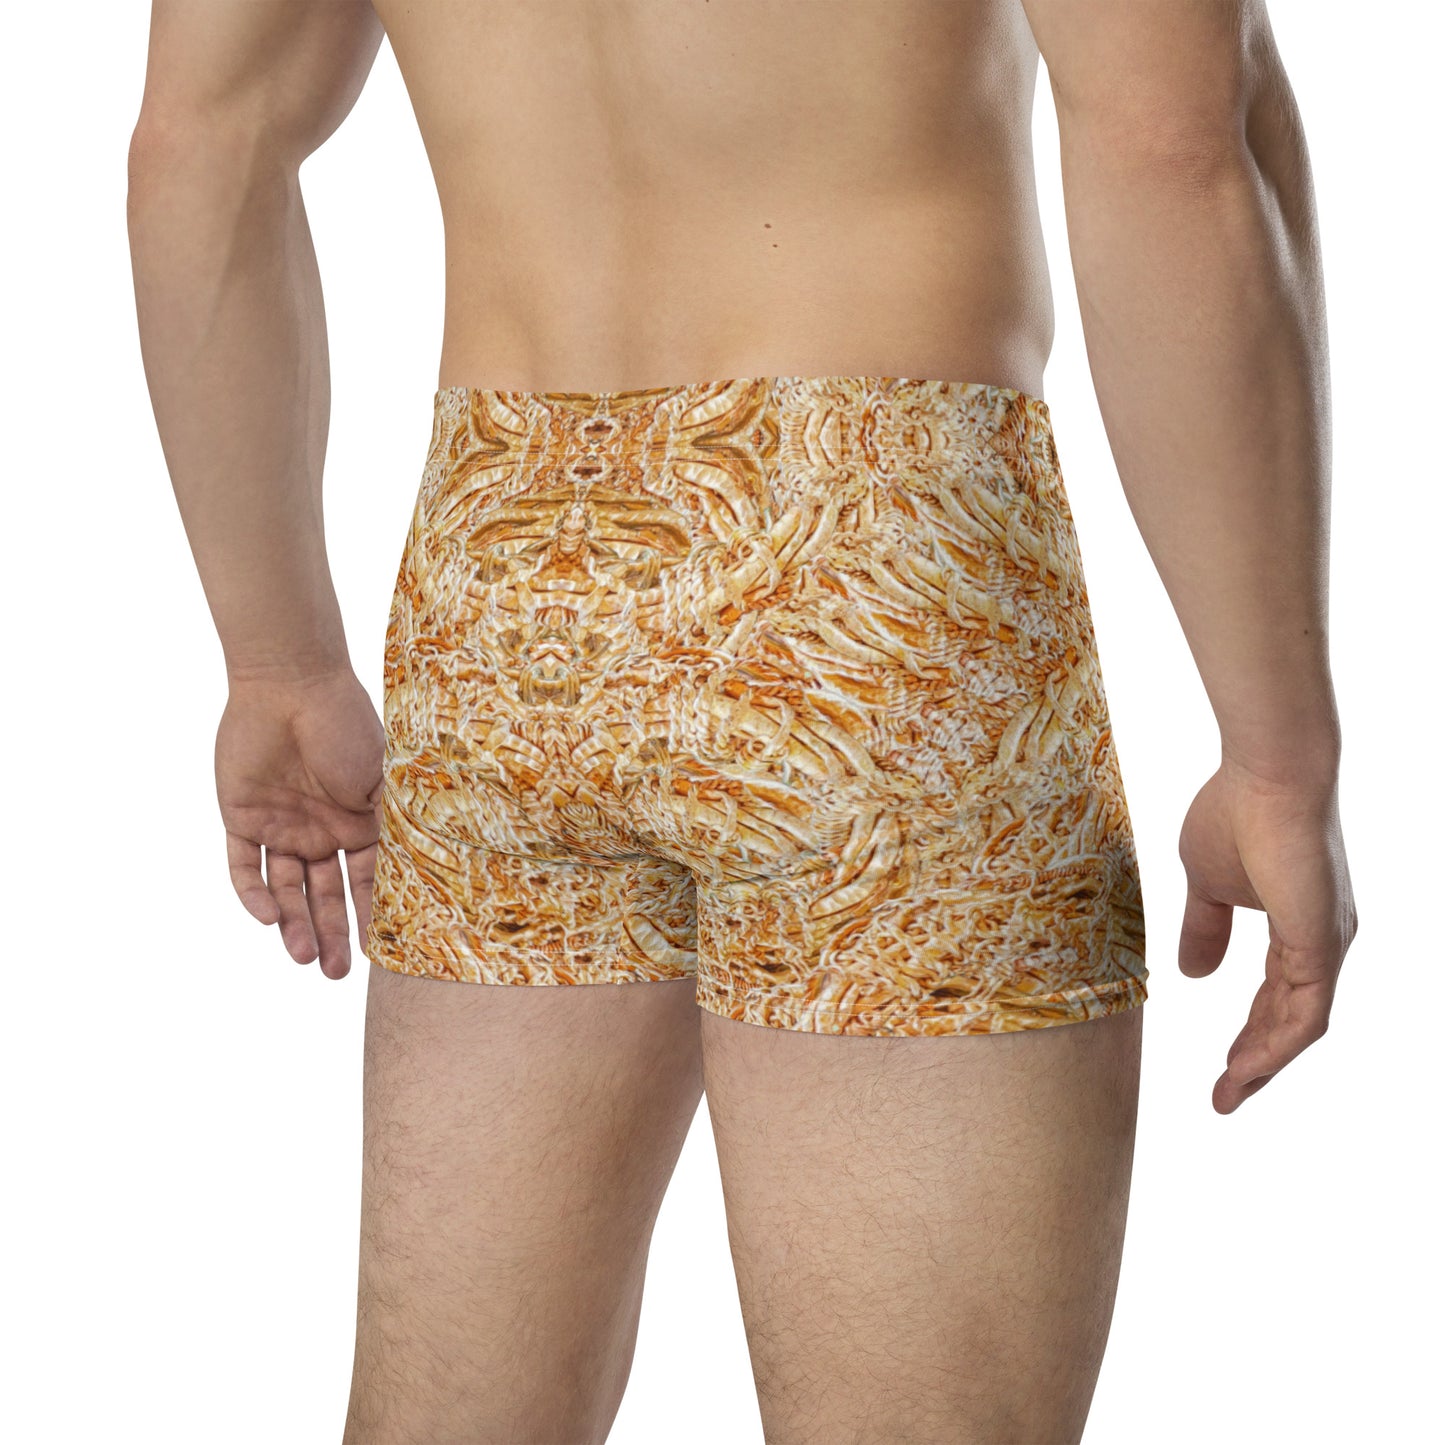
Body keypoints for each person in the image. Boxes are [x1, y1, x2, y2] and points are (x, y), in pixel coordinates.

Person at [126, 1, 1357, 1440]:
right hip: (874, 566)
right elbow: (1174, 147)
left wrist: (278, 662)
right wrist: (1277, 751)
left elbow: (201, 145)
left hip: (506, 575)